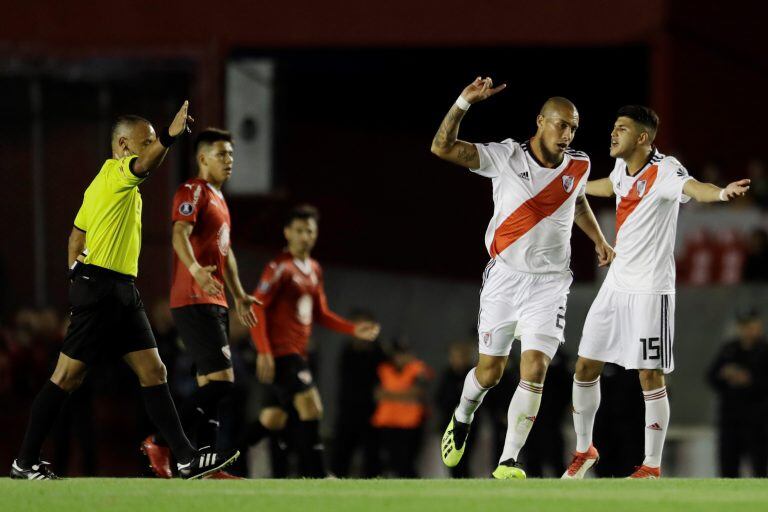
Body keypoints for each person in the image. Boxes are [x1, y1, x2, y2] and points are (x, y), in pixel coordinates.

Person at [10, 103, 239, 480]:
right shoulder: (118, 172)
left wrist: (74, 275)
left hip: (119, 290)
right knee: (66, 377)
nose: (151, 148)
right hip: (102, 288)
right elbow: (145, 164)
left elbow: (75, 236)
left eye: (152, 141)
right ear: (122, 145)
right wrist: (168, 135)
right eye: (144, 142)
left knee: (154, 370)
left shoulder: (100, 185)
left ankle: (183, 457)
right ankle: (25, 460)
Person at [431, 77, 614, 479]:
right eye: (561, 124)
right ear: (540, 121)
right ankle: (462, 416)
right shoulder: (506, 157)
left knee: (535, 368)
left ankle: (507, 460)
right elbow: (441, 147)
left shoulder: (579, 164)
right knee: (489, 373)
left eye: (573, 127)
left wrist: (599, 239)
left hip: (550, 285)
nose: (567, 134)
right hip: (505, 279)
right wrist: (464, 101)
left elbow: (576, 197)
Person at [563, 105, 751, 479]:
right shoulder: (622, 169)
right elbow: (609, 185)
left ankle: (651, 465)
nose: (613, 134)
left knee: (649, 375)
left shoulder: (666, 169)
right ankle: (585, 450)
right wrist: (574, 185)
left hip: (651, 288)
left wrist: (721, 194)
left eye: (622, 129)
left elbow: (694, 188)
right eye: (614, 127)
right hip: (616, 284)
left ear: (643, 138)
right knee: (585, 366)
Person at [140, 128, 257, 479]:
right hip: (193, 298)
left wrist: (238, 295)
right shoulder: (192, 191)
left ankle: (205, 465)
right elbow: (179, 234)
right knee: (223, 382)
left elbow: (226, 251)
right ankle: (160, 441)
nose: (229, 161)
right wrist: (195, 270)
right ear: (202, 157)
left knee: (212, 386)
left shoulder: (220, 198)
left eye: (232, 155)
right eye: (222, 154)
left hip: (215, 299)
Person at [243, 205, 380, 477]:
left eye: (310, 231)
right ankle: (317, 474)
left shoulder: (314, 269)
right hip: (282, 353)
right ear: (287, 232)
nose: (305, 236)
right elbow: (257, 306)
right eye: (299, 230)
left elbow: (321, 313)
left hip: (298, 353)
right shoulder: (279, 267)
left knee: (275, 417)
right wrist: (264, 351)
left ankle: (223, 457)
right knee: (311, 405)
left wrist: (353, 329)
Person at [707, 308, 768, 477]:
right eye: (743, 325)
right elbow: (711, 376)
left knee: (759, 467)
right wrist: (725, 375)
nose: (747, 329)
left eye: (751, 325)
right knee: (727, 467)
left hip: (758, 421)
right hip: (730, 419)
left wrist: (750, 380)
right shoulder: (730, 349)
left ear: (759, 326)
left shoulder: (764, 351)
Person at [331, 310, 384, 478]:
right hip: (347, 412)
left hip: (373, 414)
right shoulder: (346, 351)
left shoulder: (381, 354)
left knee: (372, 459)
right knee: (340, 457)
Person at [371, 338, 431, 478]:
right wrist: (405, 394)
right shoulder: (383, 369)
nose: (402, 357)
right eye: (399, 353)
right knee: (388, 462)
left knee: (406, 463)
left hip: (411, 423)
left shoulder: (418, 368)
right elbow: (377, 394)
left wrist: (390, 394)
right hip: (387, 422)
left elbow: (418, 393)